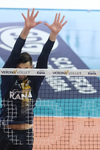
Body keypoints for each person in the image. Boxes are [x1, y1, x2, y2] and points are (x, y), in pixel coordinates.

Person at [0, 8, 67, 150]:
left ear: (32, 68)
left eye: (27, 69)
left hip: (25, 136)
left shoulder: (34, 81)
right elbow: (15, 53)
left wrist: (53, 35)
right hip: (4, 133)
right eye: (19, 68)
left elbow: (44, 57)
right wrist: (26, 29)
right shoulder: (8, 78)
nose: (22, 72)